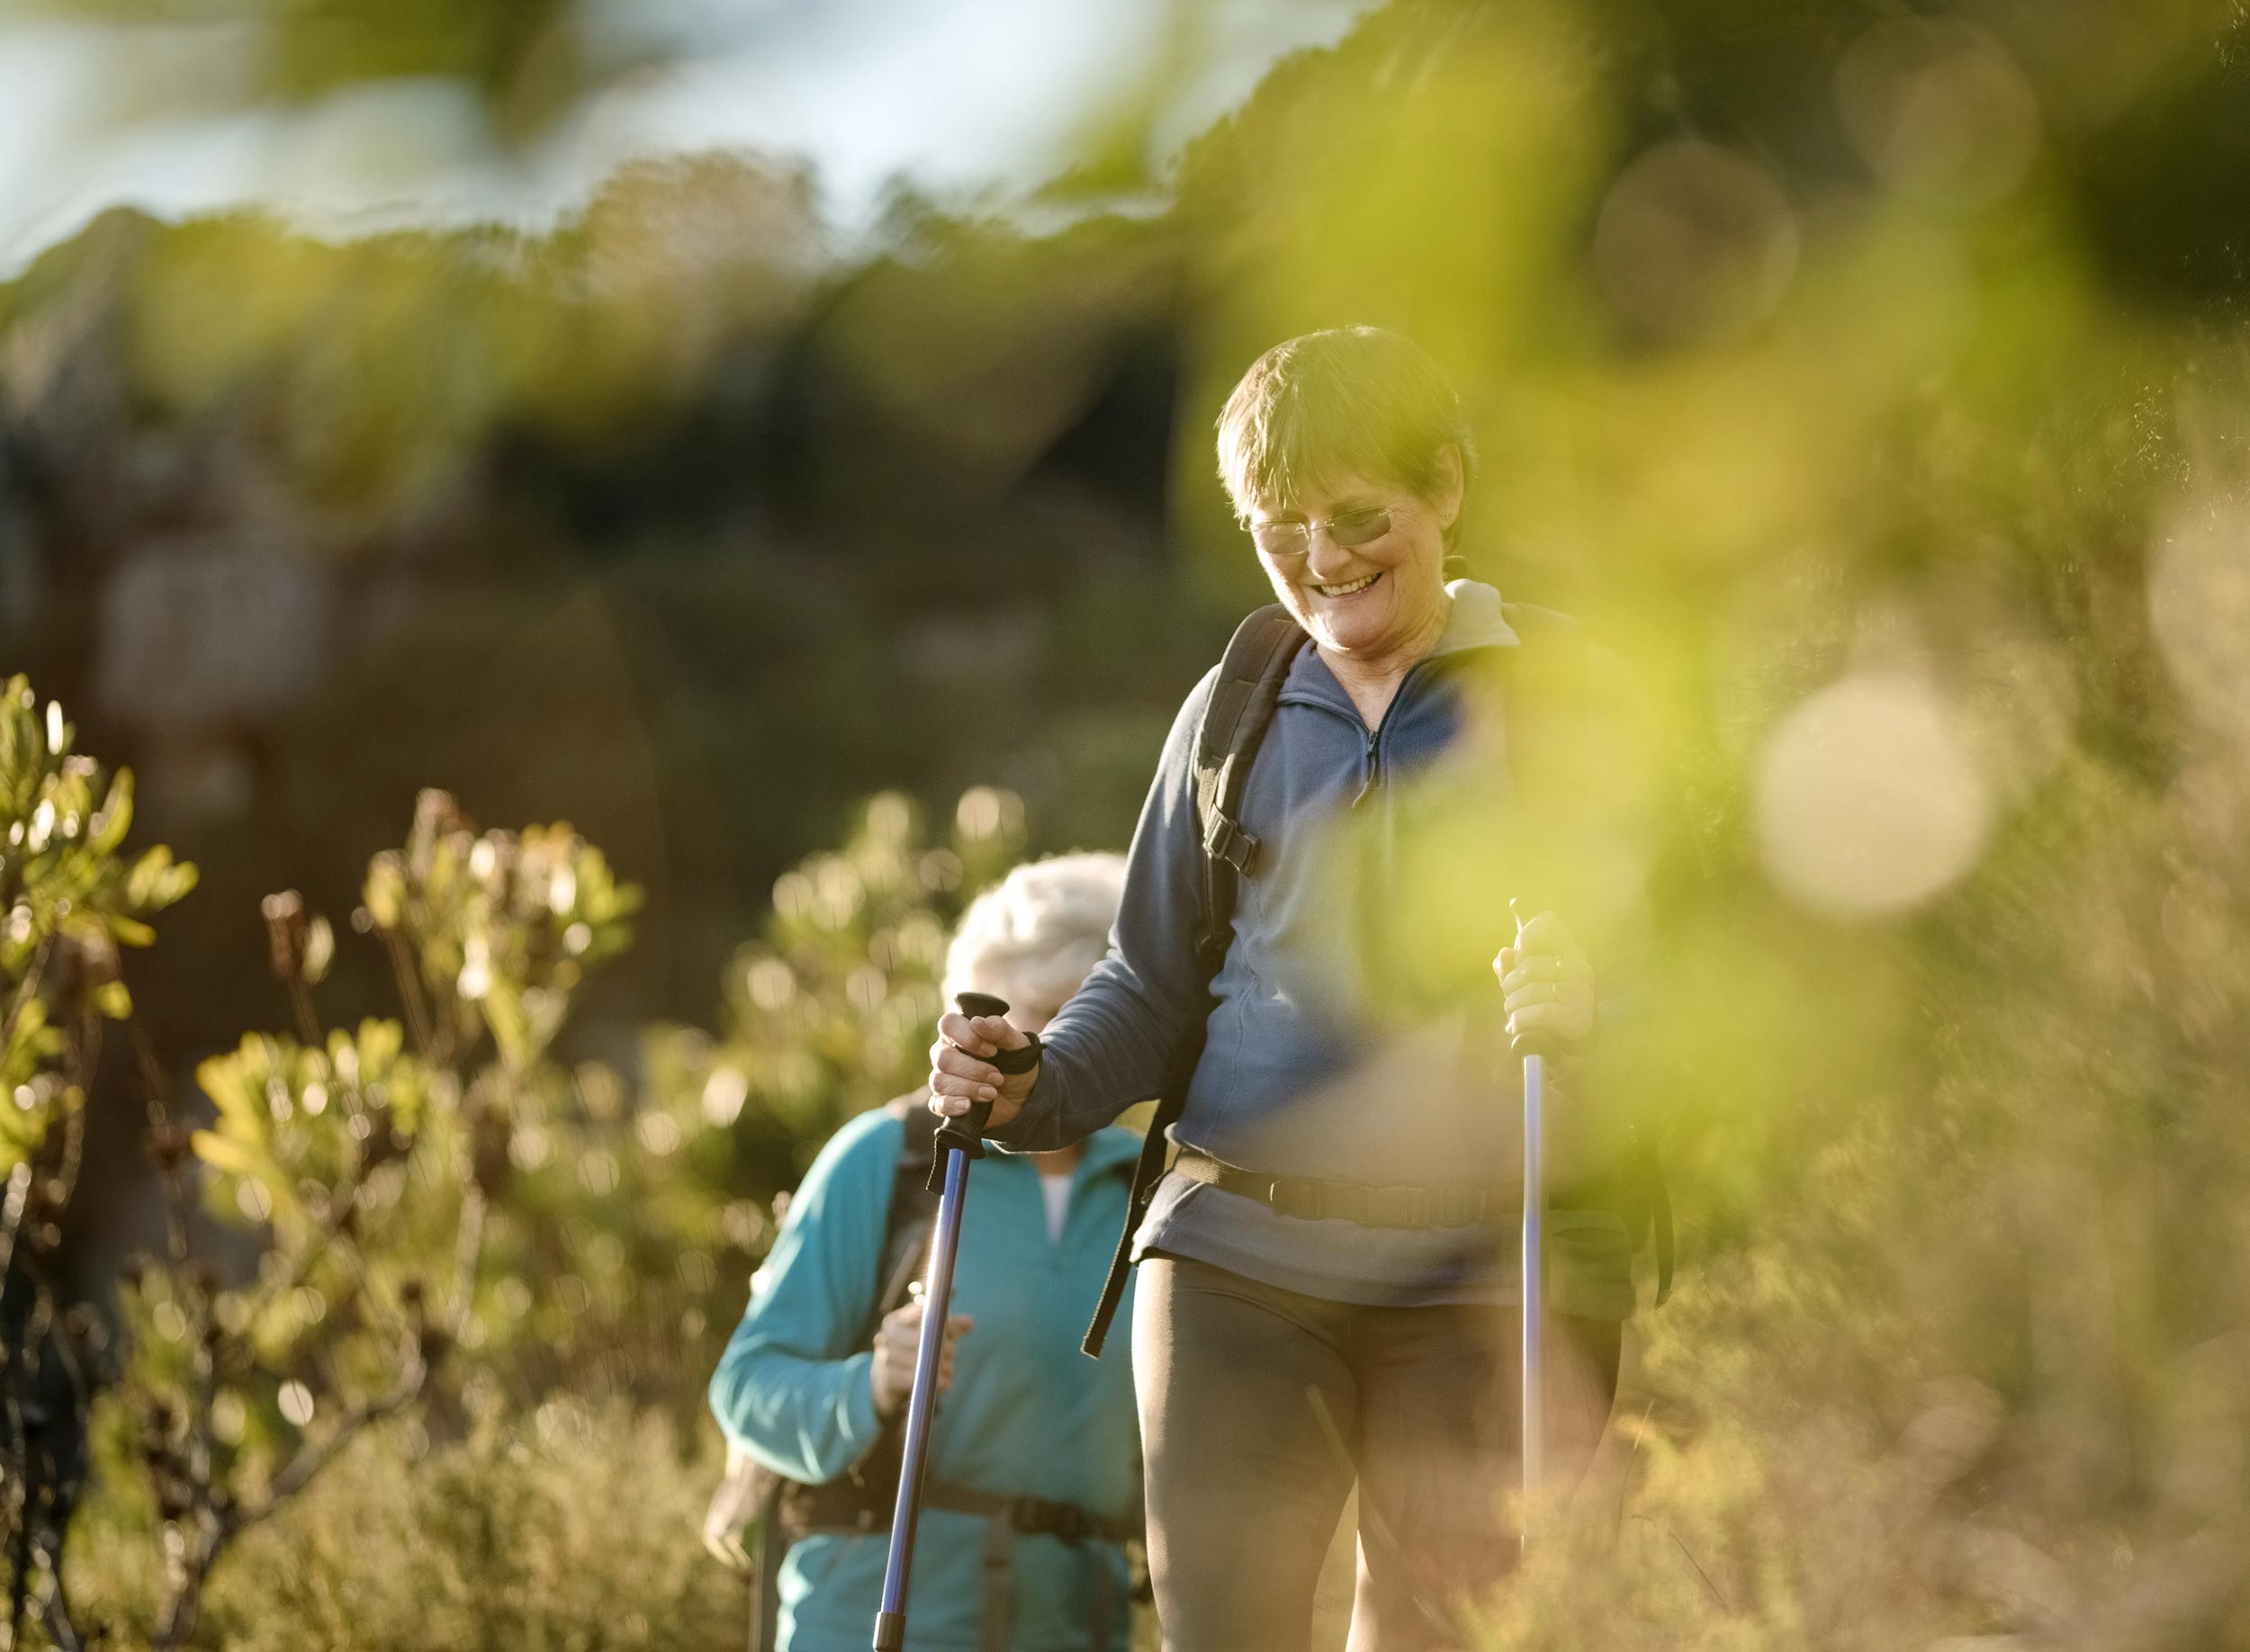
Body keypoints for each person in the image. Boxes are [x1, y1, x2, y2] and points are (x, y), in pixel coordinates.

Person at [929, 328, 1672, 1650]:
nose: (1325, 560)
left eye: (1356, 514)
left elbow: (1684, 970)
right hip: (1237, 1266)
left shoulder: (1571, 700)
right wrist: (1029, 1086)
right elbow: (1150, 982)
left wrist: (1600, 1003)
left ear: (1442, 485)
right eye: (1282, 532)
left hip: (1491, 1268)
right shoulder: (1237, 710)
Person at [711, 853, 1148, 1652]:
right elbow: (746, 1386)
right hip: (871, 1625)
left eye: (1091, 1022)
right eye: (1034, 1020)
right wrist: (870, 1384)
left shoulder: (1150, 1192)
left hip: (1077, 1628)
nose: (1054, 1054)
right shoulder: (891, 1161)